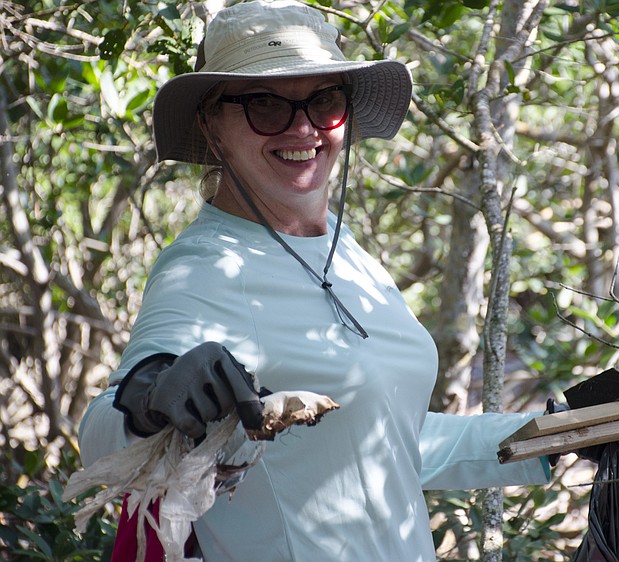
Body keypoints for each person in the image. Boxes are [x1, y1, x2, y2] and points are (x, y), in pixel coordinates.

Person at [77, 1, 551, 560]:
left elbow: (384, 439)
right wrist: (150, 396)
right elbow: (101, 433)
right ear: (213, 125)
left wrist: (556, 436)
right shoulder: (204, 265)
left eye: (324, 100)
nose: (303, 127)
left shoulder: (346, 253)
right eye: (265, 105)